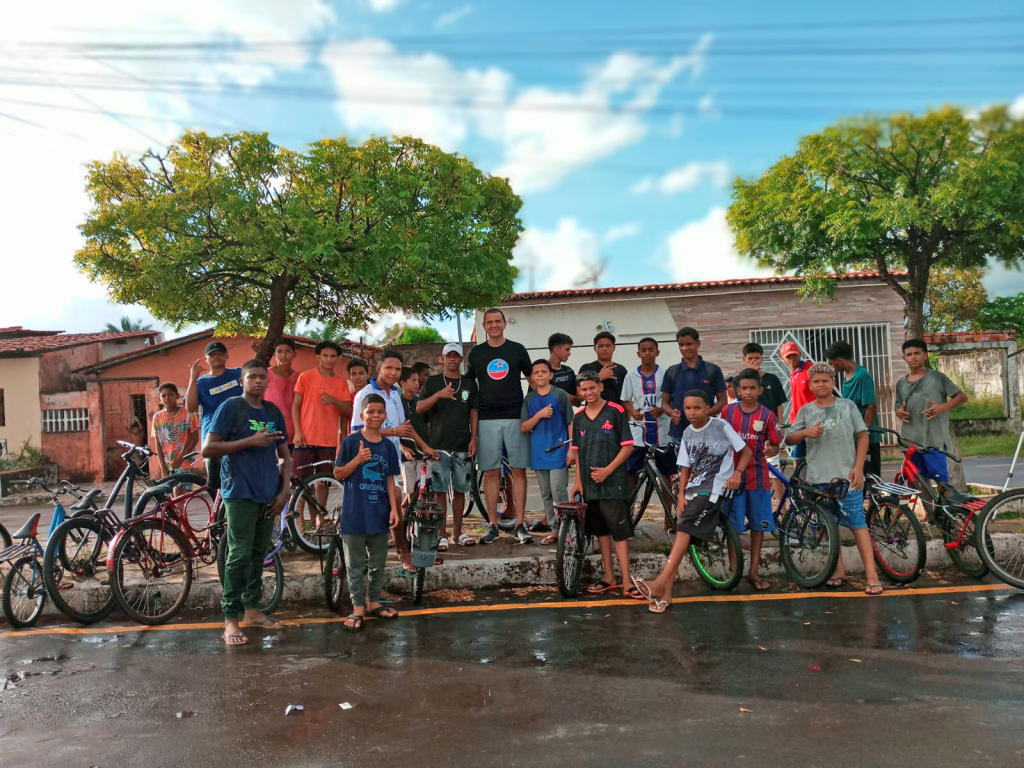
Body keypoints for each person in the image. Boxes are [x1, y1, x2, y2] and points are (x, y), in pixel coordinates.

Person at [636, 390, 751, 614]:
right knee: (681, 535)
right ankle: (666, 594)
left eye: (697, 408)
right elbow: (686, 467)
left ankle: (660, 584)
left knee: (684, 529)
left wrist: (737, 473)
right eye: (687, 408)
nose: (692, 412)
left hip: (714, 488)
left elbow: (745, 452)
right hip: (692, 490)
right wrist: (680, 495)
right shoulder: (687, 432)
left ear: (707, 408)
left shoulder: (721, 426)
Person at [202, 359, 291, 646]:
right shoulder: (231, 408)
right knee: (239, 554)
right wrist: (249, 442)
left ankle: (251, 611)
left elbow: (285, 455)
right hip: (238, 491)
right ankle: (230, 619)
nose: (258, 381)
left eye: (262, 377)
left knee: (258, 553)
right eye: (252, 376)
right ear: (242, 380)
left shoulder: (272, 411)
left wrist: (285, 489)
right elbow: (209, 448)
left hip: (269, 494)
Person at [787, 363, 883, 595]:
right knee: (828, 527)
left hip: (847, 478)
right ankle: (838, 572)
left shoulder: (847, 406)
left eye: (825, 381)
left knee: (858, 525)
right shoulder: (806, 411)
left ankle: (872, 575)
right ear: (810, 385)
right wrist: (806, 433)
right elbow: (789, 438)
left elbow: (862, 436)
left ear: (833, 383)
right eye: (816, 381)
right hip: (817, 479)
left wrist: (859, 467)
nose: (821, 384)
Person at [351, 350, 425, 572]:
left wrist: (425, 447)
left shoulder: (395, 394)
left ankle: (396, 556)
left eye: (398, 369)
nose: (393, 373)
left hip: (391, 460)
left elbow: (404, 428)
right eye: (389, 368)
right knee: (390, 506)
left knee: (393, 507)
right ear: (379, 369)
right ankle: (401, 555)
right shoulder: (365, 394)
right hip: (369, 463)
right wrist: (393, 431)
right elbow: (358, 432)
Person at [570, 371, 642, 597]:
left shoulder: (615, 411)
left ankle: (628, 581)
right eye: (584, 389)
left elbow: (628, 446)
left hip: (614, 484)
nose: (588, 393)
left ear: (600, 387)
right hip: (591, 486)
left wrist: (607, 471)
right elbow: (578, 452)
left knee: (619, 532)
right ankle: (609, 576)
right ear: (579, 392)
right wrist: (578, 482)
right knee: (601, 531)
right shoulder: (579, 417)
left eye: (592, 388)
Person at [466, 308, 534, 545]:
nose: (494, 325)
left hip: (516, 417)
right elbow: (468, 387)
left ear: (505, 324)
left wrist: (538, 406)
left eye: (498, 321)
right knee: (491, 472)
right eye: (489, 322)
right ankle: (493, 524)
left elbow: (534, 378)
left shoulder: (517, 350)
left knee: (518, 471)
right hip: (486, 418)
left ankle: (520, 524)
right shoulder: (476, 353)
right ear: (484, 327)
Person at [333, 393, 401, 629]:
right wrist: (358, 461)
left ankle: (373, 603)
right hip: (354, 513)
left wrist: (394, 509)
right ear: (361, 415)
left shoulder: (388, 446)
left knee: (378, 562)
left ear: (385, 416)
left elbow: (390, 480)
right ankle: (357, 609)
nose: (375, 416)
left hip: (379, 513)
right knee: (355, 564)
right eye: (370, 412)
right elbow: (338, 473)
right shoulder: (351, 442)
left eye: (380, 412)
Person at [723, 369, 782, 591]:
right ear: (738, 390)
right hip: (732, 479)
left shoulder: (767, 415)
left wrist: (772, 447)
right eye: (743, 388)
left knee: (759, 527)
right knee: (733, 527)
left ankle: (754, 571)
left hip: (758, 479)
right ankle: (733, 569)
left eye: (752, 388)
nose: (748, 392)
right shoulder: (727, 413)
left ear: (760, 390)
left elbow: (776, 442)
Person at [418, 342, 479, 547]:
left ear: (462, 359)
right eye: (449, 356)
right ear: (441, 358)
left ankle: (458, 533)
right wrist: (438, 395)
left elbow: (473, 411)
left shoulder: (470, 384)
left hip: (462, 444)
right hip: (439, 446)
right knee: (440, 491)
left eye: (456, 356)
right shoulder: (433, 382)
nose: (452, 359)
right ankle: (442, 534)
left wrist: (474, 438)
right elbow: (420, 408)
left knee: (461, 491)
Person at [292, 341, 352, 530]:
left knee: (323, 483)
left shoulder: (341, 382)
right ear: (318, 357)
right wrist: (298, 431)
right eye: (325, 355)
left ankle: (319, 519)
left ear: (337, 358)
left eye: (333, 356)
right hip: (305, 439)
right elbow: (295, 405)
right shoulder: (305, 377)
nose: (329, 359)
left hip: (327, 441)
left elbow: (347, 410)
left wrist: (334, 400)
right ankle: (300, 524)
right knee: (302, 483)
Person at [894, 338, 968, 483]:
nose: (913, 357)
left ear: (925, 355)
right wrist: (899, 412)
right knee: (920, 481)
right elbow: (898, 406)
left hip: (934, 440)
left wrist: (942, 407)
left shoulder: (937, 378)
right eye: (909, 354)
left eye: (917, 353)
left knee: (942, 481)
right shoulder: (901, 384)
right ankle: (930, 506)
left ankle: (944, 506)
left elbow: (962, 397)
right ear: (904, 358)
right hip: (911, 440)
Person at [520, 359, 573, 543]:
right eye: (536, 372)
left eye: (544, 371)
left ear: (551, 375)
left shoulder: (560, 395)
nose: (540, 375)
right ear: (532, 377)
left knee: (558, 490)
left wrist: (571, 449)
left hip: (558, 450)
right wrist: (539, 415)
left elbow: (570, 421)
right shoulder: (530, 399)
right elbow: (524, 426)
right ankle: (553, 528)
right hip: (539, 452)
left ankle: (566, 529)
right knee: (546, 493)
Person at [185, 340, 242, 493]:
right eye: (212, 354)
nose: (216, 356)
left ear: (226, 356)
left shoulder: (238, 373)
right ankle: (221, 516)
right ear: (206, 359)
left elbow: (256, 377)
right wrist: (193, 377)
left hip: (239, 435)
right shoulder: (201, 382)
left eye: (220, 353)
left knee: (240, 482)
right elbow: (190, 408)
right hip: (213, 438)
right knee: (219, 486)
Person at [397, 367, 440, 559]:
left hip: (423, 453)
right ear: (402, 383)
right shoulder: (397, 402)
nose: (417, 383)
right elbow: (395, 430)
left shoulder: (418, 402)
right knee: (409, 495)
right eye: (413, 380)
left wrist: (430, 447)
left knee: (425, 493)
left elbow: (426, 425)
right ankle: (401, 529)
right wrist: (403, 448)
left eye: (417, 380)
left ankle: (423, 532)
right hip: (407, 457)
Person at [621, 337, 674, 486]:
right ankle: (629, 507)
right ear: (638, 354)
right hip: (639, 432)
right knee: (631, 472)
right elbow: (625, 399)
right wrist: (632, 411)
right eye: (643, 350)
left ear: (657, 352)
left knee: (665, 474)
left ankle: (667, 508)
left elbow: (672, 398)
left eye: (651, 350)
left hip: (662, 432)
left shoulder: (666, 373)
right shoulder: (631, 375)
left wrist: (663, 409)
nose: (647, 353)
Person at [741, 342, 788, 506]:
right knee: (750, 470)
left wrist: (780, 426)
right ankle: (756, 505)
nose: (754, 360)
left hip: (769, 431)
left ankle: (783, 509)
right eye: (750, 358)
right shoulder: (740, 381)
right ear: (744, 359)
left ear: (762, 358)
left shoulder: (772, 379)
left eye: (757, 358)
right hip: (748, 432)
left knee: (774, 471)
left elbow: (779, 404)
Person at [825, 340, 882, 476]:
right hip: (853, 436)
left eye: (832, 363)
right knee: (855, 477)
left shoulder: (862, 376)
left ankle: (875, 498)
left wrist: (865, 436)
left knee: (871, 477)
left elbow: (870, 405)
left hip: (865, 437)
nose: (832, 367)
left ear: (839, 360)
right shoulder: (847, 376)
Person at [661, 327, 727, 442]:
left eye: (689, 344)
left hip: (708, 431)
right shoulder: (672, 371)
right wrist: (672, 413)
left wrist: (706, 413)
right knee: (681, 460)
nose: (685, 348)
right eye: (681, 345)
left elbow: (723, 401)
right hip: (679, 433)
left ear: (698, 344)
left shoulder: (712, 370)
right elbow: (665, 402)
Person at [150, 382, 200, 496]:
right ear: (159, 399)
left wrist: (180, 458)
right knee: (171, 498)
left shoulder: (188, 413)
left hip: (184, 461)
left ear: (177, 396)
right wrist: (163, 467)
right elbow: (157, 443)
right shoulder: (157, 417)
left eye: (170, 394)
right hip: (168, 463)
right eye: (163, 396)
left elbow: (194, 438)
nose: (167, 398)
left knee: (179, 495)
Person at [780, 341, 815, 460]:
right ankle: (799, 479)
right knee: (797, 458)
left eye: (794, 354)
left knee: (815, 457)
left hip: (813, 421)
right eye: (788, 356)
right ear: (782, 358)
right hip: (797, 422)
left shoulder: (810, 368)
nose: (791, 358)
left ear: (799, 354)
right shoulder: (793, 373)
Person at [264, 338, 300, 445]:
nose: (283, 355)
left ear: (294, 354)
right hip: (269, 433)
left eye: (287, 351)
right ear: (275, 354)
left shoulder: (300, 378)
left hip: (294, 435)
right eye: (279, 351)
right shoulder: (265, 375)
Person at [579, 331, 627, 405]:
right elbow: (579, 398)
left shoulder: (621, 370)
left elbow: (626, 397)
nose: (604, 349)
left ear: (614, 348)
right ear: (595, 348)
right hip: (594, 414)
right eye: (600, 346)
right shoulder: (586, 369)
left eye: (608, 346)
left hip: (618, 414)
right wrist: (599, 377)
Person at [547, 332, 579, 405]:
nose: (569, 353)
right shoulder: (541, 371)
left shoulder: (569, 371)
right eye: (567, 349)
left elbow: (577, 402)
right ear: (557, 350)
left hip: (567, 415)